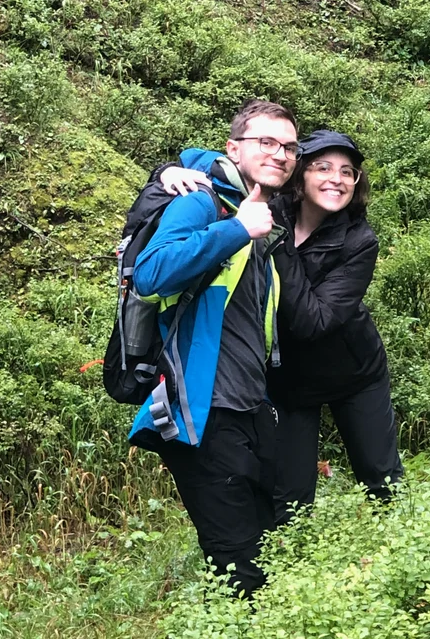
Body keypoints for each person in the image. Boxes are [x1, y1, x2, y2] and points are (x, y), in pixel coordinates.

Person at [161, 129, 403, 526]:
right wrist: (171, 171)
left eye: (347, 172)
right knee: (289, 500)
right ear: (301, 174)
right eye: (323, 167)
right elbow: (214, 159)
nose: (336, 179)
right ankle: (291, 571)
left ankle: (399, 556)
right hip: (287, 381)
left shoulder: (359, 241)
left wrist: (279, 244)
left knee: (380, 478)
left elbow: (314, 321)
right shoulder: (272, 207)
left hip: (354, 373)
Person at [129, 99, 299, 596]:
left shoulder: (263, 213)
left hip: (250, 408)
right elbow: (151, 274)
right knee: (239, 564)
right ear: (234, 148)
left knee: (274, 544)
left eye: (288, 146)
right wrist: (235, 229)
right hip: (202, 411)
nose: (281, 154)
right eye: (266, 142)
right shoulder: (204, 202)